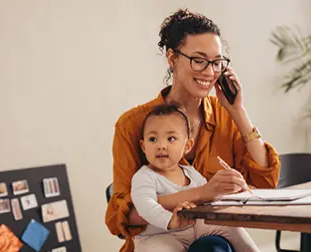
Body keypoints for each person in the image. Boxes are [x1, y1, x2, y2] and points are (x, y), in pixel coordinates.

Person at [105, 8, 280, 252]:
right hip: (159, 240)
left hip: (216, 241)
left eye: (217, 63)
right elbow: (123, 218)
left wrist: (239, 112)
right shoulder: (132, 125)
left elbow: (265, 182)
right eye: (199, 60)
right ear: (172, 58)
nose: (209, 72)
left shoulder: (225, 114)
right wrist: (203, 194)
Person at [130, 103, 260, 252]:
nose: (161, 145)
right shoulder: (144, 177)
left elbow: (208, 198)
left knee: (230, 227)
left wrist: (228, 191)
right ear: (143, 146)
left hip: (194, 228)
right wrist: (170, 220)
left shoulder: (190, 172)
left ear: (187, 146)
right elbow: (145, 207)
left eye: (171, 138)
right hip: (159, 236)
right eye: (153, 139)